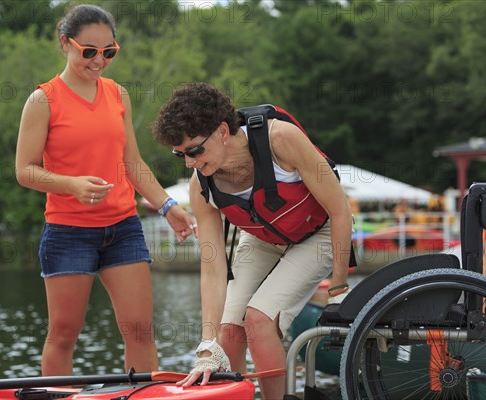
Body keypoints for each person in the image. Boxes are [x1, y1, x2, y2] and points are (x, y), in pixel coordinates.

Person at [15, 4, 196, 376]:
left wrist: (167, 205)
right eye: (89, 52)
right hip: (68, 233)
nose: (99, 60)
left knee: (140, 331)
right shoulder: (43, 100)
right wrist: (71, 185)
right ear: (66, 44)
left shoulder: (118, 95)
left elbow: (132, 164)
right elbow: (24, 171)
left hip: (122, 228)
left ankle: (141, 394)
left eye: (109, 52)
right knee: (64, 335)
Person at [151, 83, 353, 399]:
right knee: (228, 331)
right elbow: (213, 267)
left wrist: (339, 287)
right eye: (180, 154)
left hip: (321, 233)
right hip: (261, 239)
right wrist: (207, 343)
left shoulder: (281, 140)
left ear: (221, 131)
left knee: (258, 321)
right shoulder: (200, 187)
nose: (189, 162)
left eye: (194, 150)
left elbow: (341, 210)